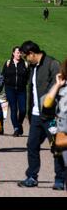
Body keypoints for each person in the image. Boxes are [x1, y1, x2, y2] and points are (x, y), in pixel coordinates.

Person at [17, 40, 65, 190]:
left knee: (57, 147)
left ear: (31, 54)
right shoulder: (33, 67)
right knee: (32, 145)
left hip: (51, 116)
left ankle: (60, 179)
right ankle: (32, 176)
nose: (25, 59)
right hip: (36, 115)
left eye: (26, 56)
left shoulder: (52, 64)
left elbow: (59, 87)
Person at [43, 59, 67, 191]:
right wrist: (57, 85)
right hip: (61, 128)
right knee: (59, 154)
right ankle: (59, 179)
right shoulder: (61, 88)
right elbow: (46, 105)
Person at [2, 46, 29, 136]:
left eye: (20, 53)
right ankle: (16, 128)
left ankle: (19, 123)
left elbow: (28, 77)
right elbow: (3, 76)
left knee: (23, 110)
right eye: (17, 52)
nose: (19, 54)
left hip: (21, 90)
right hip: (10, 89)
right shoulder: (8, 63)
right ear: (13, 53)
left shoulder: (25, 64)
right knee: (13, 109)